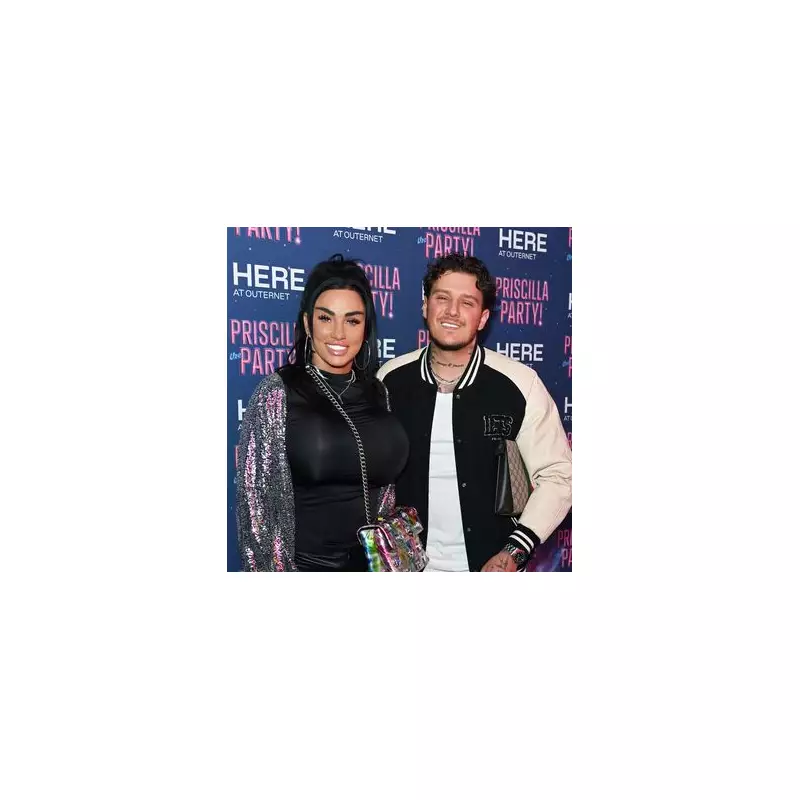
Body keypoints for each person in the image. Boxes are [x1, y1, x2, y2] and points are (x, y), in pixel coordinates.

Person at [377, 253, 572, 572]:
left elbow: (559, 475)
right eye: (442, 298)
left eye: (467, 302)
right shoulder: (389, 379)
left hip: (492, 564)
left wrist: (515, 551)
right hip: (406, 565)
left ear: (482, 318)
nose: (452, 311)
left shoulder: (520, 383)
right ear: (425, 306)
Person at [236, 255, 409, 571]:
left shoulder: (378, 392)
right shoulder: (279, 392)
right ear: (307, 323)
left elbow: (385, 493)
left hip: (374, 567)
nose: (339, 333)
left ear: (365, 328)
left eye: (352, 320)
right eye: (326, 318)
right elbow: (257, 511)